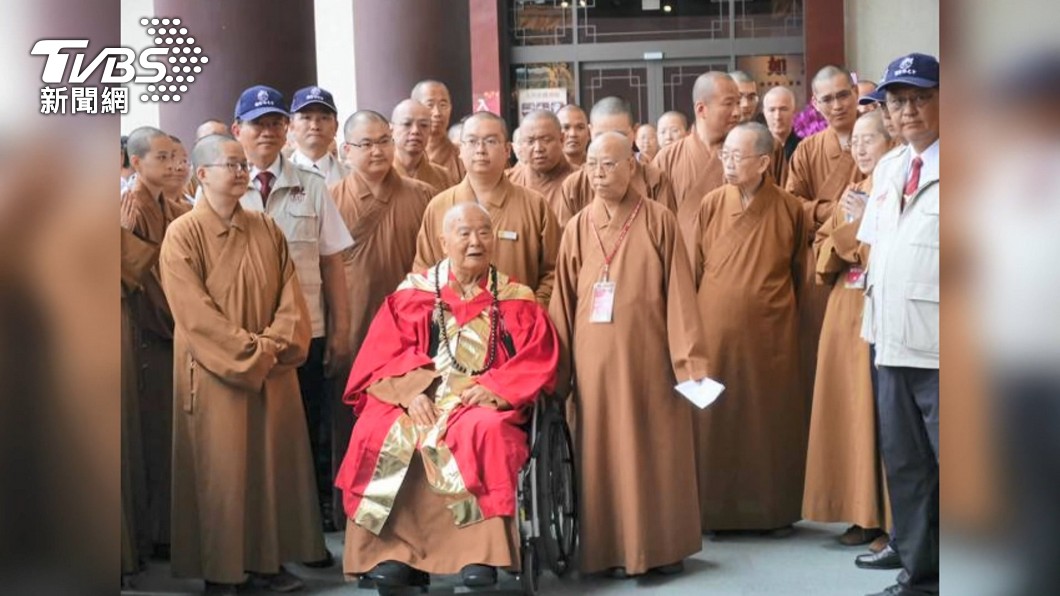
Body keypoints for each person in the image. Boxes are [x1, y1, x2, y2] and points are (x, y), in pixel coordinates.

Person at [335, 202, 559, 590]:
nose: (476, 242)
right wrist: (409, 392)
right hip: (419, 394)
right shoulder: (413, 294)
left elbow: (536, 358)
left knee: (483, 431)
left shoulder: (515, 298)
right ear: (443, 240)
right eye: (465, 233)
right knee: (377, 430)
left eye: (484, 233)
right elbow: (382, 354)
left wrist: (495, 388)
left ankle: (479, 554)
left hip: (481, 400)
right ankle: (392, 554)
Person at [161, 134, 328, 594]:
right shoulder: (183, 234)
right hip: (217, 372)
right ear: (202, 174)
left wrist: (274, 345)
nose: (240, 172)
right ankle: (222, 571)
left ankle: (268, 563)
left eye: (242, 165)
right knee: (223, 473)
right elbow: (193, 314)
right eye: (229, 164)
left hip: (271, 367)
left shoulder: (266, 227)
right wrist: (251, 351)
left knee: (273, 466)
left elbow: (291, 299)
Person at [550, 132, 708, 577]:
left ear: (632, 167)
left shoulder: (659, 220)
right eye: (592, 165)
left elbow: (680, 296)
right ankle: (605, 550)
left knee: (653, 451)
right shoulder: (578, 225)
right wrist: (555, 375)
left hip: (649, 363)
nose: (599, 174)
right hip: (593, 366)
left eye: (609, 164)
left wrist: (689, 363)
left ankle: (659, 548)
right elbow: (561, 301)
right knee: (600, 455)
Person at [232, 84, 354, 536]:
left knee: (309, 432)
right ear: (237, 130)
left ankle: (308, 523)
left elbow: (333, 263)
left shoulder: (315, 188)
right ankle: (257, 525)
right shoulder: (217, 185)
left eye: (275, 123)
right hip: (242, 337)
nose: (267, 132)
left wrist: (340, 331)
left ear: (287, 130)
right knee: (250, 434)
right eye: (258, 124)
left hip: (307, 331)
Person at [693, 122, 808, 533]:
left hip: (770, 332)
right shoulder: (710, 203)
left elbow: (800, 270)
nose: (727, 163)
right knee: (716, 420)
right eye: (725, 155)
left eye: (737, 156)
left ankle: (772, 512)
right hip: (715, 331)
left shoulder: (790, 207)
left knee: (767, 421)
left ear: (763, 162)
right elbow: (694, 266)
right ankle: (714, 512)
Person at [328, 110, 436, 529]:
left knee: (413, 415)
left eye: (382, 141)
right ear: (347, 150)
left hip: (411, 330)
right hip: (353, 324)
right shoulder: (332, 197)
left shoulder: (422, 194)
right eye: (365, 144)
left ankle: (414, 513)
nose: (376, 151)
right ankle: (351, 514)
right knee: (351, 417)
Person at [857, 53, 940, 596]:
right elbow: (872, 248)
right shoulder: (888, 168)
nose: (907, 111)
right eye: (897, 102)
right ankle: (922, 575)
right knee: (907, 470)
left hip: (948, 351)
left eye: (919, 98)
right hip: (889, 345)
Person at [802, 110, 894, 549]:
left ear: (889, 141)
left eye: (868, 139)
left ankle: (889, 520)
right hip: (843, 310)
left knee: (875, 413)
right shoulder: (853, 189)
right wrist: (847, 235)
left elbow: (879, 250)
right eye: (854, 140)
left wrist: (854, 233)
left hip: (877, 310)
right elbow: (824, 250)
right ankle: (859, 513)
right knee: (847, 412)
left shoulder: (895, 187)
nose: (858, 148)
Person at [119, 126, 190, 557]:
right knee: (152, 433)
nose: (171, 165)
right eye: (160, 157)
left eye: (174, 157)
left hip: (169, 326)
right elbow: (137, 279)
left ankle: (165, 529)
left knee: (167, 433)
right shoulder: (134, 206)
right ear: (136, 163)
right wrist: (171, 322)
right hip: (149, 333)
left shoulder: (170, 203)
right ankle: (153, 533)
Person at [785, 65, 866, 422]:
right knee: (823, 355)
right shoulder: (807, 151)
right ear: (816, 104)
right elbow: (791, 207)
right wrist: (834, 212)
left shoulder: (879, 139)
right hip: (822, 264)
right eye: (828, 99)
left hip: (868, 263)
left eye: (843, 94)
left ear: (855, 93)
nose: (837, 105)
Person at [414, 112, 561, 305]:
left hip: (518, 326)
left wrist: (532, 308)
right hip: (452, 326)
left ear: (507, 150)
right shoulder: (439, 206)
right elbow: (423, 271)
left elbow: (554, 271)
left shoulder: (535, 205)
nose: (480, 150)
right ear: (460, 149)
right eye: (472, 141)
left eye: (490, 141)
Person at [653, 71, 740, 260]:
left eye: (738, 103)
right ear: (701, 109)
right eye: (728, 104)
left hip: (736, 267)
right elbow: (657, 225)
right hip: (682, 267)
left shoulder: (748, 154)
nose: (737, 112)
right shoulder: (666, 159)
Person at [559, 96, 677, 227]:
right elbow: (567, 243)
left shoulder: (655, 180)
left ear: (634, 132)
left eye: (619, 136)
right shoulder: (574, 186)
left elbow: (667, 235)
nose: (609, 145)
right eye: (601, 136)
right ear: (590, 132)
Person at [506, 110, 574, 218]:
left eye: (546, 140)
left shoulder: (581, 181)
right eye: (530, 142)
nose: (538, 149)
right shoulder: (508, 181)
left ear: (562, 139)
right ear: (521, 145)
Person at [390, 99, 456, 193]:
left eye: (424, 125)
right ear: (391, 130)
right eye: (407, 124)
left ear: (430, 130)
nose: (415, 131)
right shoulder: (379, 174)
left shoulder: (444, 177)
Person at [289, 86, 348, 185]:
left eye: (324, 118)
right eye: (306, 118)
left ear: (336, 126)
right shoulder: (276, 177)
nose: (314, 126)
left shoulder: (352, 178)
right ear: (291, 126)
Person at [411, 80, 466, 181]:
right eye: (430, 105)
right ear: (414, 108)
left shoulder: (462, 157)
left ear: (450, 107)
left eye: (443, 105)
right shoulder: (403, 155)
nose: (437, 113)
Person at [762, 86, 801, 187]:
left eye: (783, 109)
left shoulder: (805, 148)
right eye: (772, 110)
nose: (777, 116)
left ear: (794, 111)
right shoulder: (756, 149)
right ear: (764, 113)